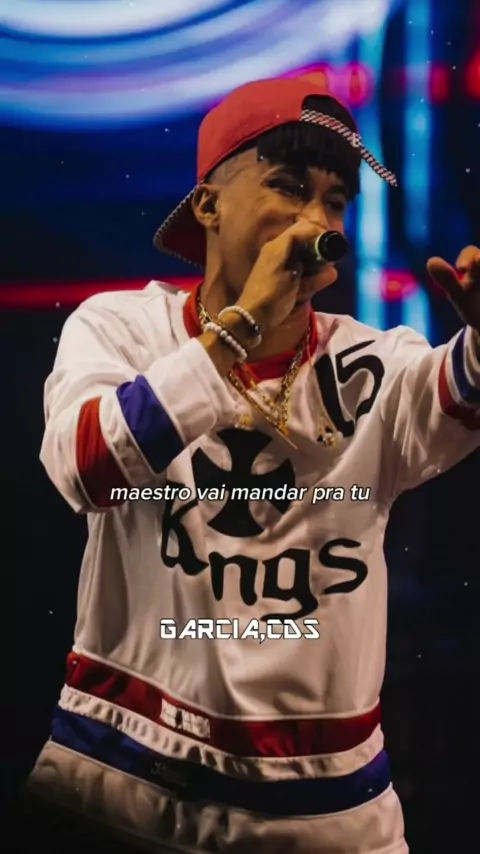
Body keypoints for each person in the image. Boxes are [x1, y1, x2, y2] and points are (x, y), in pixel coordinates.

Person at [25, 76, 480, 854]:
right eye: (290, 187)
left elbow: (459, 393)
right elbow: (84, 466)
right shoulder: (123, 328)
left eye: (336, 201)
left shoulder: (376, 365)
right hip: (112, 784)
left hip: (327, 817)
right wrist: (234, 334)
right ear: (208, 205)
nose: (317, 221)